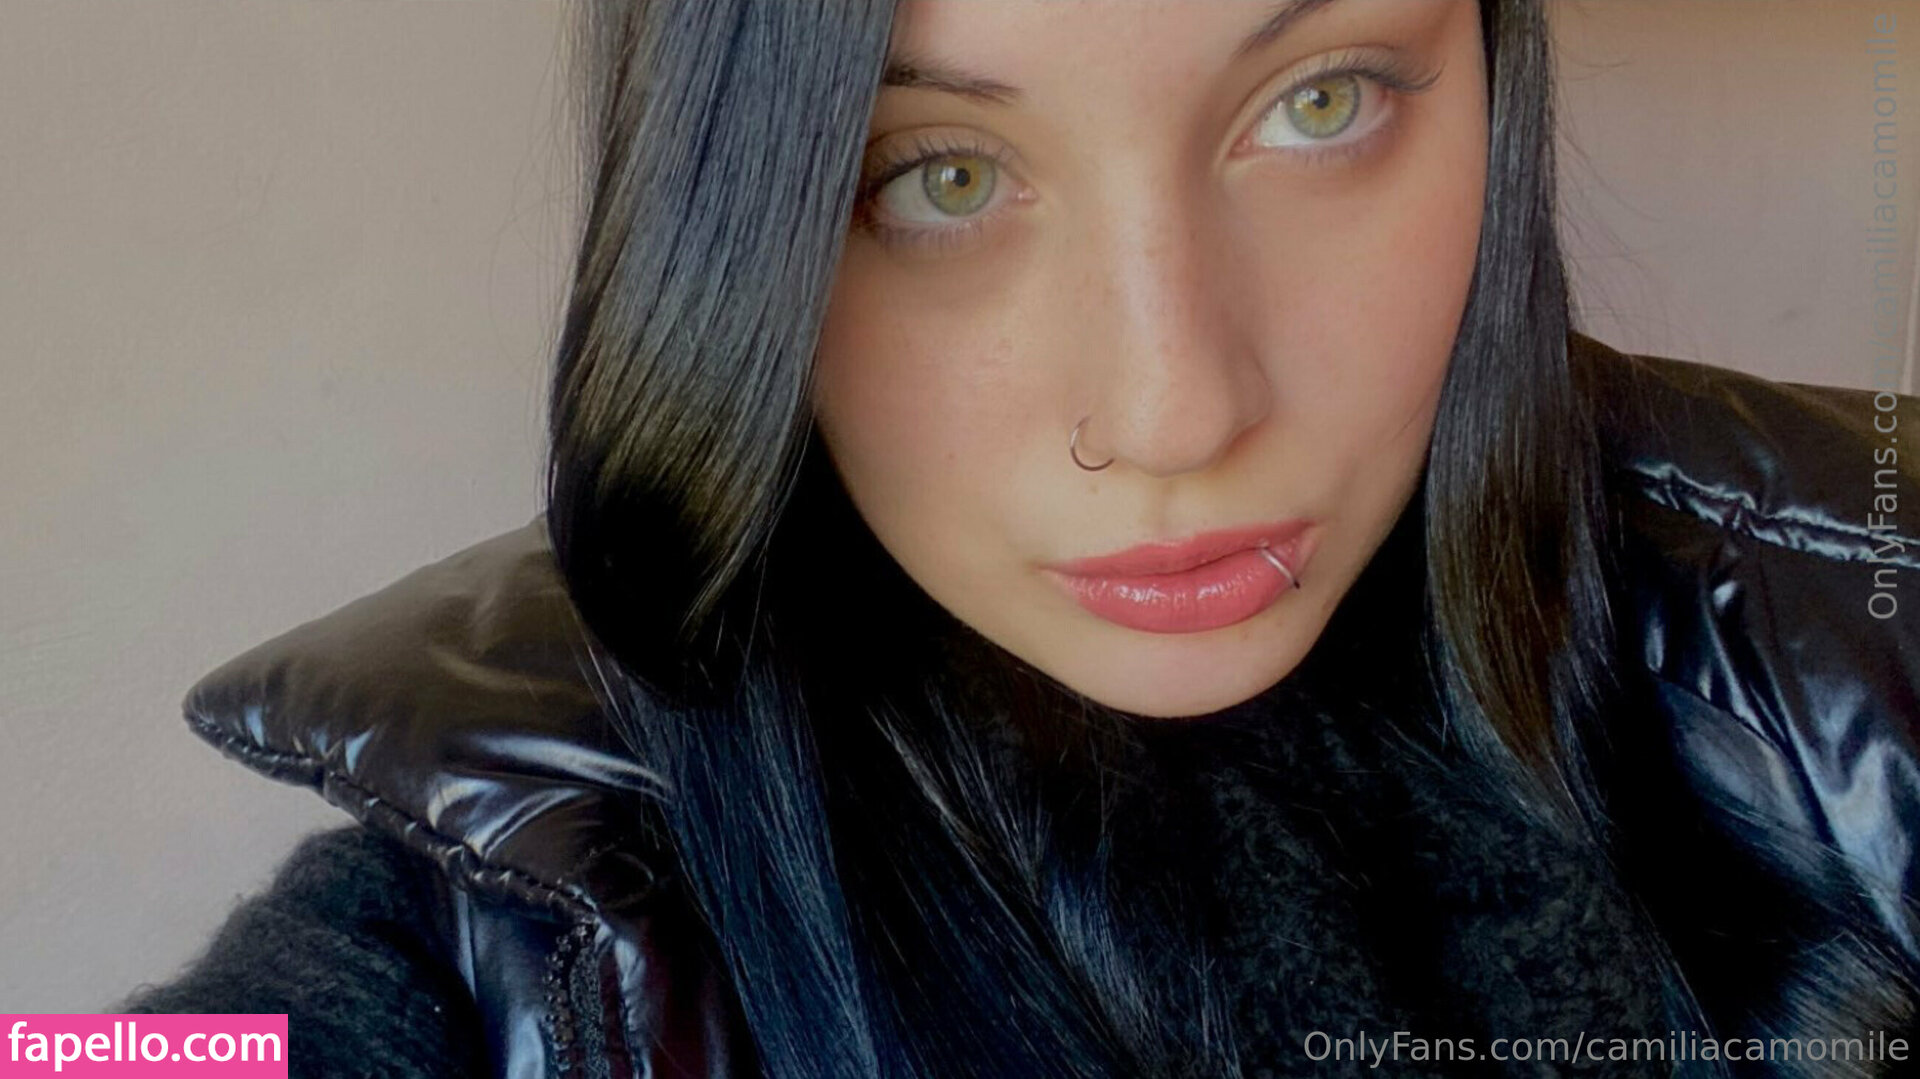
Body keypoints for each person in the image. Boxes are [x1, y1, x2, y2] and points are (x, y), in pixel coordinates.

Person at [115, 0, 1920, 1076]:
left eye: (1322, 100)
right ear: (739, 231)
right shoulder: (500, 921)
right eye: (942, 177)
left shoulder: (1869, 598)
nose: (1175, 410)